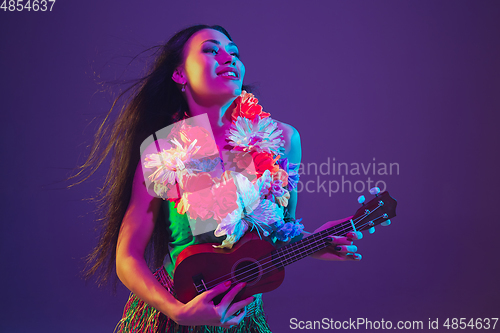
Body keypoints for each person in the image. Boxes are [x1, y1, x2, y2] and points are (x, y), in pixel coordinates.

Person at [75, 24, 365, 333]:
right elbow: (127, 256)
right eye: (211, 50)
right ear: (179, 74)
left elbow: (280, 233)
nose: (229, 58)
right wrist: (179, 312)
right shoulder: (163, 150)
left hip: (241, 318)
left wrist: (314, 242)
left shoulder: (281, 139)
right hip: (175, 312)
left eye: (235, 52)